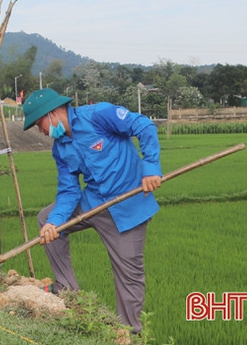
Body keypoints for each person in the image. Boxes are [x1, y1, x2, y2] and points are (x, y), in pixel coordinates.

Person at [22, 88, 162, 334]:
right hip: (94, 202)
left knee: (129, 276)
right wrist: (55, 223)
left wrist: (150, 167)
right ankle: (66, 288)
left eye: (39, 123)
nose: (41, 130)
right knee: (46, 218)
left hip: (128, 207)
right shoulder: (60, 147)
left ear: (53, 113)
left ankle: (129, 334)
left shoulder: (99, 114)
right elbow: (68, 191)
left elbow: (144, 126)